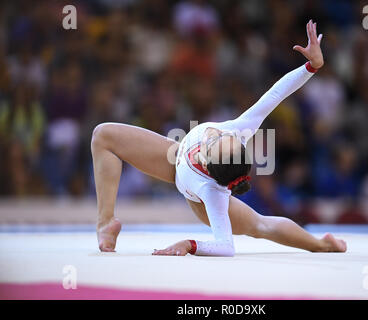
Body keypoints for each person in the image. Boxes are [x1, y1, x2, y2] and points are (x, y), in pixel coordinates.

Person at [91, 20, 347, 256]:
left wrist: (189, 244)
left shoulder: (212, 193)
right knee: (103, 136)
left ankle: (321, 245)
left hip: (194, 193)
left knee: (260, 225)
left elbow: (225, 247)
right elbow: (275, 94)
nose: (214, 134)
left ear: (207, 160)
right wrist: (312, 66)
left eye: (213, 143)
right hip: (173, 158)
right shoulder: (238, 129)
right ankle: (106, 223)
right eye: (224, 137)